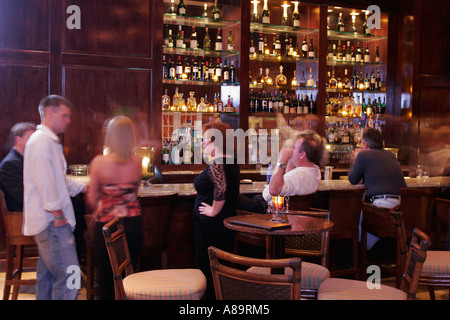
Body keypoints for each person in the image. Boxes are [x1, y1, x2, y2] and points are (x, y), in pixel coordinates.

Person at [23, 95, 87, 300]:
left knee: (48, 278)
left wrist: (85, 187)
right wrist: (58, 214)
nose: (68, 120)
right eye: (65, 115)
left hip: (49, 222)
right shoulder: (42, 142)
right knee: (71, 277)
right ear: (50, 113)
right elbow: (45, 182)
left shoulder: (45, 141)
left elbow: (59, 179)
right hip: (52, 222)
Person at [86, 115, 142, 300]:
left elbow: (91, 197)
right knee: (128, 272)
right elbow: (135, 192)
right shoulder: (137, 162)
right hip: (133, 224)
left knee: (107, 273)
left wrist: (100, 207)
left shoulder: (99, 162)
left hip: (107, 225)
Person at [193, 122, 240, 300]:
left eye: (205, 140)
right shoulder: (230, 160)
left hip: (212, 226)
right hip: (224, 225)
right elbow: (222, 187)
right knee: (219, 271)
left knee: (209, 270)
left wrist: (213, 210)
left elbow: (221, 191)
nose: (203, 143)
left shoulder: (218, 162)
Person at [348, 128, 406, 251]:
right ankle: (380, 249)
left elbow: (353, 180)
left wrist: (355, 159)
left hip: (382, 207)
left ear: (366, 144)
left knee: (353, 218)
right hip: (401, 206)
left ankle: (370, 254)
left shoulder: (363, 155)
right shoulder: (391, 155)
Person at [262, 132, 322, 202]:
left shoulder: (298, 176)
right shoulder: (315, 171)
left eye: (294, 148)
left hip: (269, 208)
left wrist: (282, 161)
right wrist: (290, 158)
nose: (291, 151)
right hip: (283, 208)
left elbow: (273, 190)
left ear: (302, 155)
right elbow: (289, 174)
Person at [0, 122, 36, 211]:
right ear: (18, 140)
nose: (35, 142)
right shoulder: (9, 164)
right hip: (22, 214)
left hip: (34, 208)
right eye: (31, 138)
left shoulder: (24, 159)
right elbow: (22, 196)